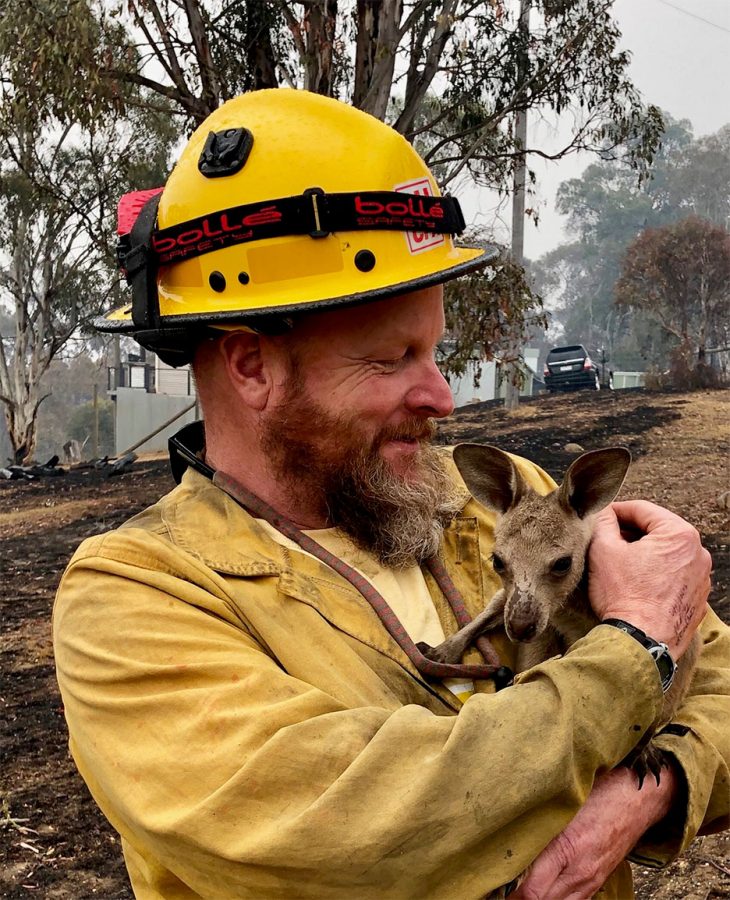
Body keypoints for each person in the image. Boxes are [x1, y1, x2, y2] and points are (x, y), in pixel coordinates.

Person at [53, 89, 729, 900]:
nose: (441, 396)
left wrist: (639, 794)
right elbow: (340, 829)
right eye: (391, 358)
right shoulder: (134, 601)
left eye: (434, 351)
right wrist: (640, 649)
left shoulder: (509, 507)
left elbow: (723, 683)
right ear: (250, 365)